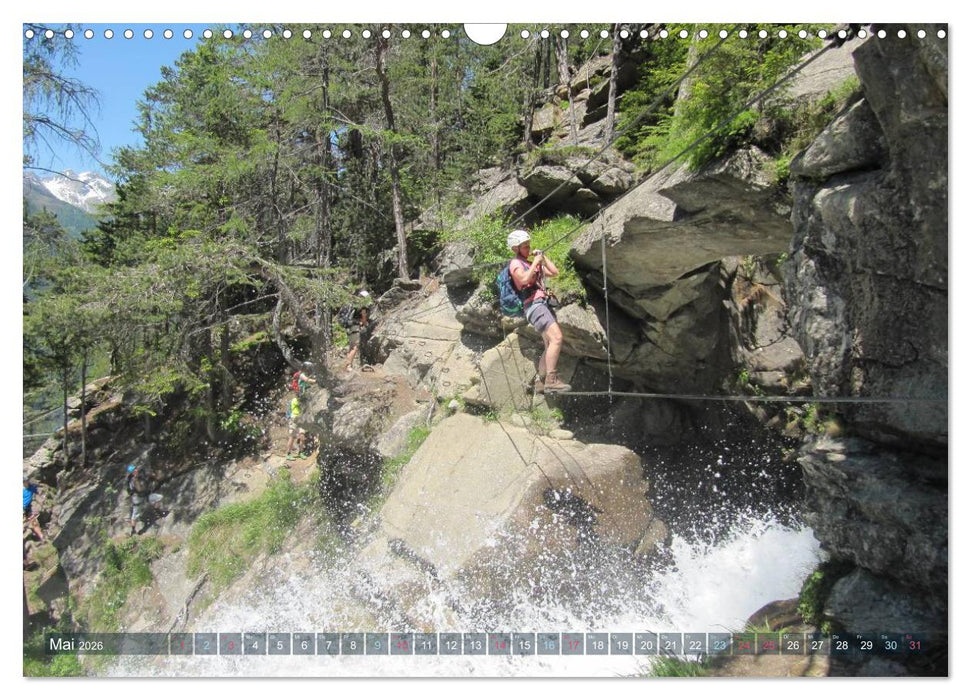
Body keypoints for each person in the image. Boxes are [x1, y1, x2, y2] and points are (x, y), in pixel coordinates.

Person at [507, 229, 572, 394]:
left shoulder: (530, 264)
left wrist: (542, 257)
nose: (528, 249)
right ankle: (551, 380)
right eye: (524, 246)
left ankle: (541, 381)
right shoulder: (515, 263)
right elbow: (523, 279)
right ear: (515, 248)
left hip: (542, 305)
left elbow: (555, 272)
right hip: (535, 306)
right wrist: (535, 262)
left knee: (549, 344)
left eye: (528, 245)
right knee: (557, 338)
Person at [127, 464, 165, 536]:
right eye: (134, 471)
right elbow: (139, 489)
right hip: (137, 498)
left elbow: (152, 476)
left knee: (159, 498)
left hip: (145, 494)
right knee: (135, 514)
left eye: (135, 469)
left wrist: (152, 476)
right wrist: (139, 481)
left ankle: (159, 513)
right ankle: (133, 530)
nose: (136, 470)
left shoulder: (141, 475)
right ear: (132, 473)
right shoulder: (132, 480)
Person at [342, 290, 371, 373]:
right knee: (355, 347)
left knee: (351, 347)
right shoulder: (362, 307)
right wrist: (365, 324)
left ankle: (347, 364)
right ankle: (348, 366)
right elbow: (364, 319)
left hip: (348, 327)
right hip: (354, 327)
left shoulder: (353, 304)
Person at [285, 393, 308, 460]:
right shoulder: (295, 400)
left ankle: (301, 452)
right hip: (294, 420)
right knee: (292, 437)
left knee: (302, 436)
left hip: (301, 420)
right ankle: (288, 453)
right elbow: (301, 405)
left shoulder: (300, 400)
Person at [22, 476, 44, 542]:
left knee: (34, 522)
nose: (25, 483)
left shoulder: (32, 487)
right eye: (23, 481)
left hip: (28, 508)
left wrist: (41, 497)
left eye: (26, 481)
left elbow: (38, 492)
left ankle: (41, 537)